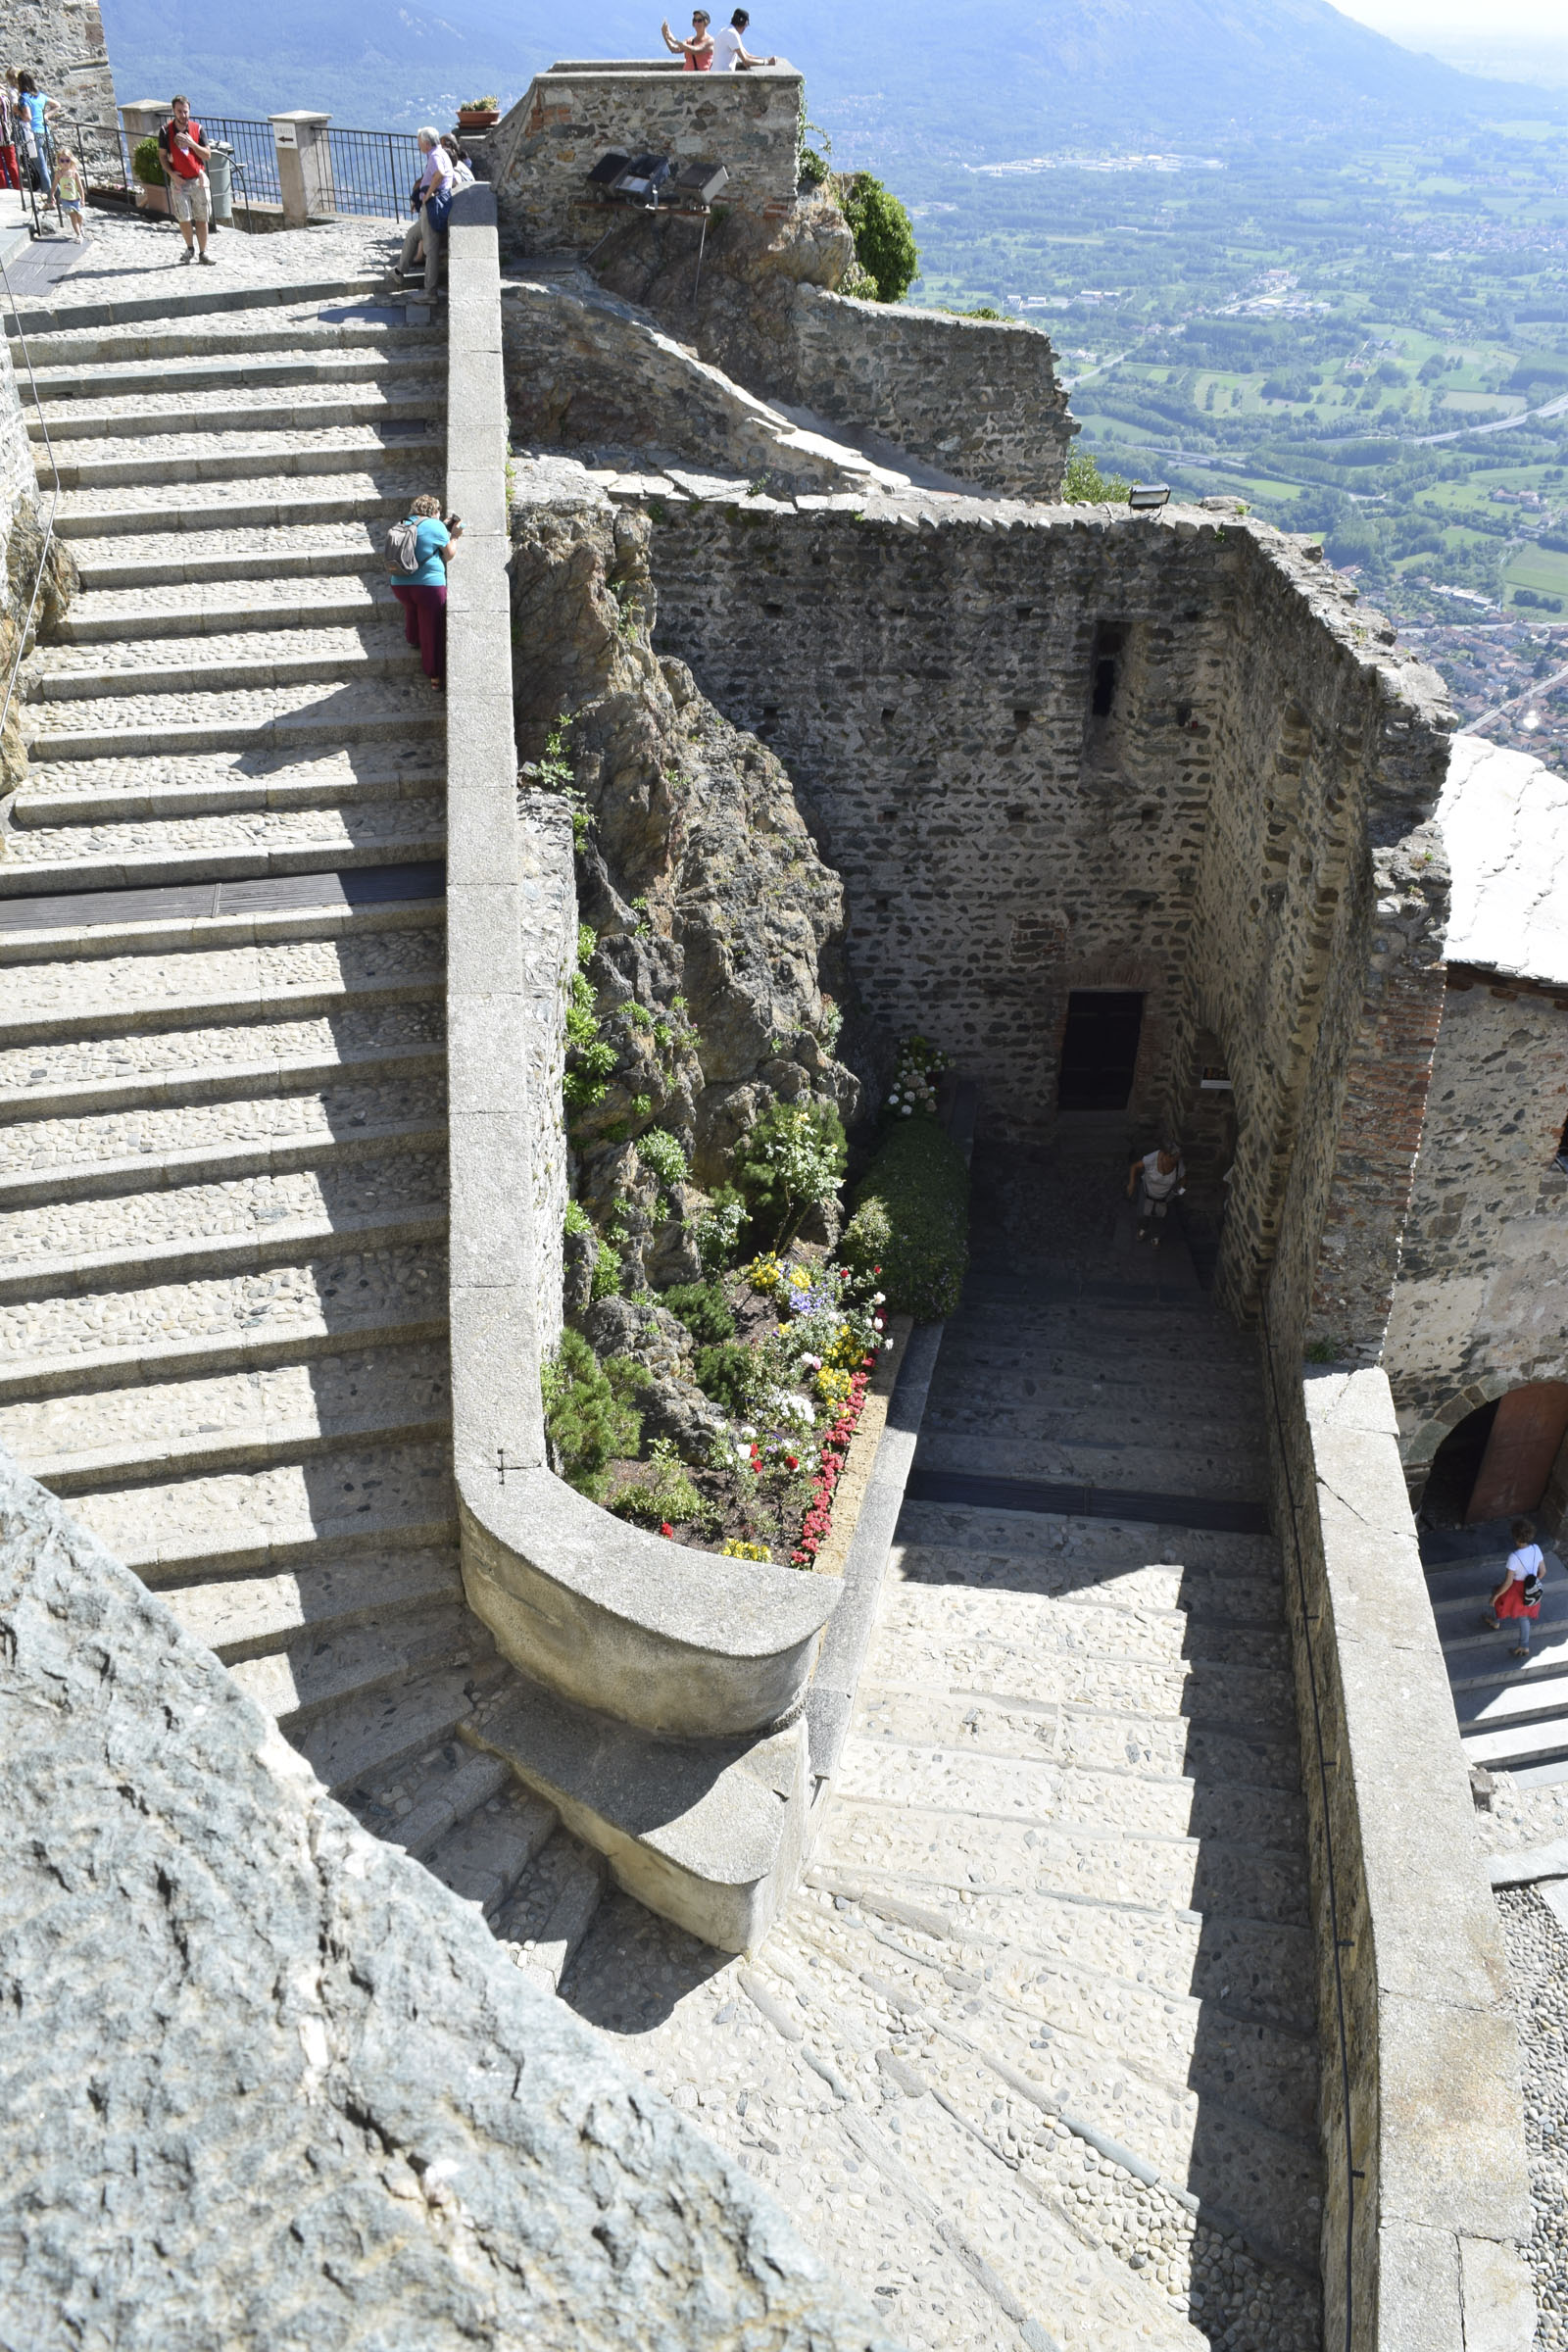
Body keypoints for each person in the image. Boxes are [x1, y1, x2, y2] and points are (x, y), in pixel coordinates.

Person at [389, 494, 462, 690]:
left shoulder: (403, 522)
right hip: (429, 587)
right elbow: (449, 554)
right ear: (435, 512)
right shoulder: (436, 526)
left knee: (411, 608)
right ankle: (434, 675)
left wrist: (440, 525)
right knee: (431, 629)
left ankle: (412, 639)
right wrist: (454, 535)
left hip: (399, 583)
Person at [389, 128, 455, 296]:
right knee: (412, 234)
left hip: (433, 206)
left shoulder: (434, 156)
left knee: (430, 249)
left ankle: (430, 293)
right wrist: (419, 198)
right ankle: (399, 272)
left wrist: (427, 195)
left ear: (426, 143)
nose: (418, 145)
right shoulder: (439, 153)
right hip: (433, 205)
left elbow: (439, 174)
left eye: (419, 142)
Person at [159, 96, 215, 265]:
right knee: (183, 216)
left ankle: (203, 252)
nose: (183, 115)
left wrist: (192, 144)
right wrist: (171, 174)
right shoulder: (165, 131)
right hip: (179, 180)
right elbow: (162, 156)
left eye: (186, 111)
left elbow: (207, 155)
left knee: (202, 216)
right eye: (180, 112)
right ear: (174, 112)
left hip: (198, 178)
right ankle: (190, 248)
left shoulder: (197, 129)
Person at [1483, 1518, 1546, 1661]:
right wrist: (1532, 1584)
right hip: (1529, 1589)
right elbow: (1543, 1571)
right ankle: (1523, 1645)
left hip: (1515, 1589)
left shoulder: (1514, 1557)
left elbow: (1507, 1583)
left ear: (1514, 1536)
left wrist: (1494, 1596)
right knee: (1523, 1618)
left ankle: (1496, 1622)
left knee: (1499, 1598)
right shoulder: (1536, 1548)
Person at [1126, 1144, 1185, 1246]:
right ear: (1166, 1155)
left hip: (1164, 1198)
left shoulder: (1179, 1164)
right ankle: (1143, 1228)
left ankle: (1156, 1236)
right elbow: (1134, 1166)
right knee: (1142, 1214)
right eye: (1174, 1159)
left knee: (1161, 1218)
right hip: (1147, 1193)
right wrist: (1131, 1184)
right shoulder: (1152, 1158)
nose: (1176, 1162)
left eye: (1177, 1159)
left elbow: (1183, 1179)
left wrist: (1178, 1193)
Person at [15, 71, 58, 194]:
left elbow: (27, 117)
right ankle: (57, 193)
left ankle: (50, 196)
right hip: (45, 132)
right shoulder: (40, 96)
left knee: (41, 168)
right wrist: (47, 115)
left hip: (33, 134)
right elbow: (57, 105)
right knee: (44, 166)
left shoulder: (24, 98)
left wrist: (17, 111)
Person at [710, 9, 777, 69]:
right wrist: (767, 62)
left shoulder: (725, 30)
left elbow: (747, 55)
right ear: (745, 23)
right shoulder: (733, 34)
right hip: (722, 80)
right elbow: (746, 61)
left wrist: (767, 59)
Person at [50, 145, 86, 241]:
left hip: (76, 199)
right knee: (73, 217)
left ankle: (80, 227)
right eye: (62, 161)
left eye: (67, 160)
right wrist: (52, 195)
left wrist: (83, 199)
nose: (65, 163)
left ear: (71, 160)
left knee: (80, 217)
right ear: (59, 161)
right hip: (66, 200)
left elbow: (80, 187)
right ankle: (78, 235)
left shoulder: (74, 173)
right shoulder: (59, 174)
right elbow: (54, 185)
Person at [0, 74, 22, 193]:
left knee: (6, 166)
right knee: (11, 164)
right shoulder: (5, 95)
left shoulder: (3, 97)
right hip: (7, 133)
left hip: (4, 134)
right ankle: (17, 188)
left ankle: (5, 189)